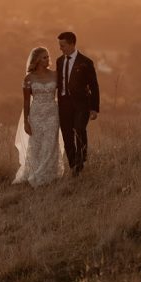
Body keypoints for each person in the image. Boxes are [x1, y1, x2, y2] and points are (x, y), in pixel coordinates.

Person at [13, 46, 65, 186]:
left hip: (52, 113)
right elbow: (25, 101)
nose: (47, 59)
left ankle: (45, 174)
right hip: (36, 114)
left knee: (50, 143)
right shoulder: (29, 78)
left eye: (48, 56)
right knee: (36, 145)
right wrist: (26, 121)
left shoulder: (55, 75)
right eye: (44, 57)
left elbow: (63, 93)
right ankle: (35, 171)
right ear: (36, 60)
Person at [55, 31, 100, 176]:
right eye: (59, 45)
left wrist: (94, 108)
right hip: (64, 104)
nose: (60, 48)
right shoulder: (59, 61)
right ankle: (73, 164)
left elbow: (94, 86)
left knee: (79, 129)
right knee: (67, 135)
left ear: (72, 44)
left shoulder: (86, 62)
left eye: (63, 45)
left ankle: (81, 160)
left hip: (81, 104)